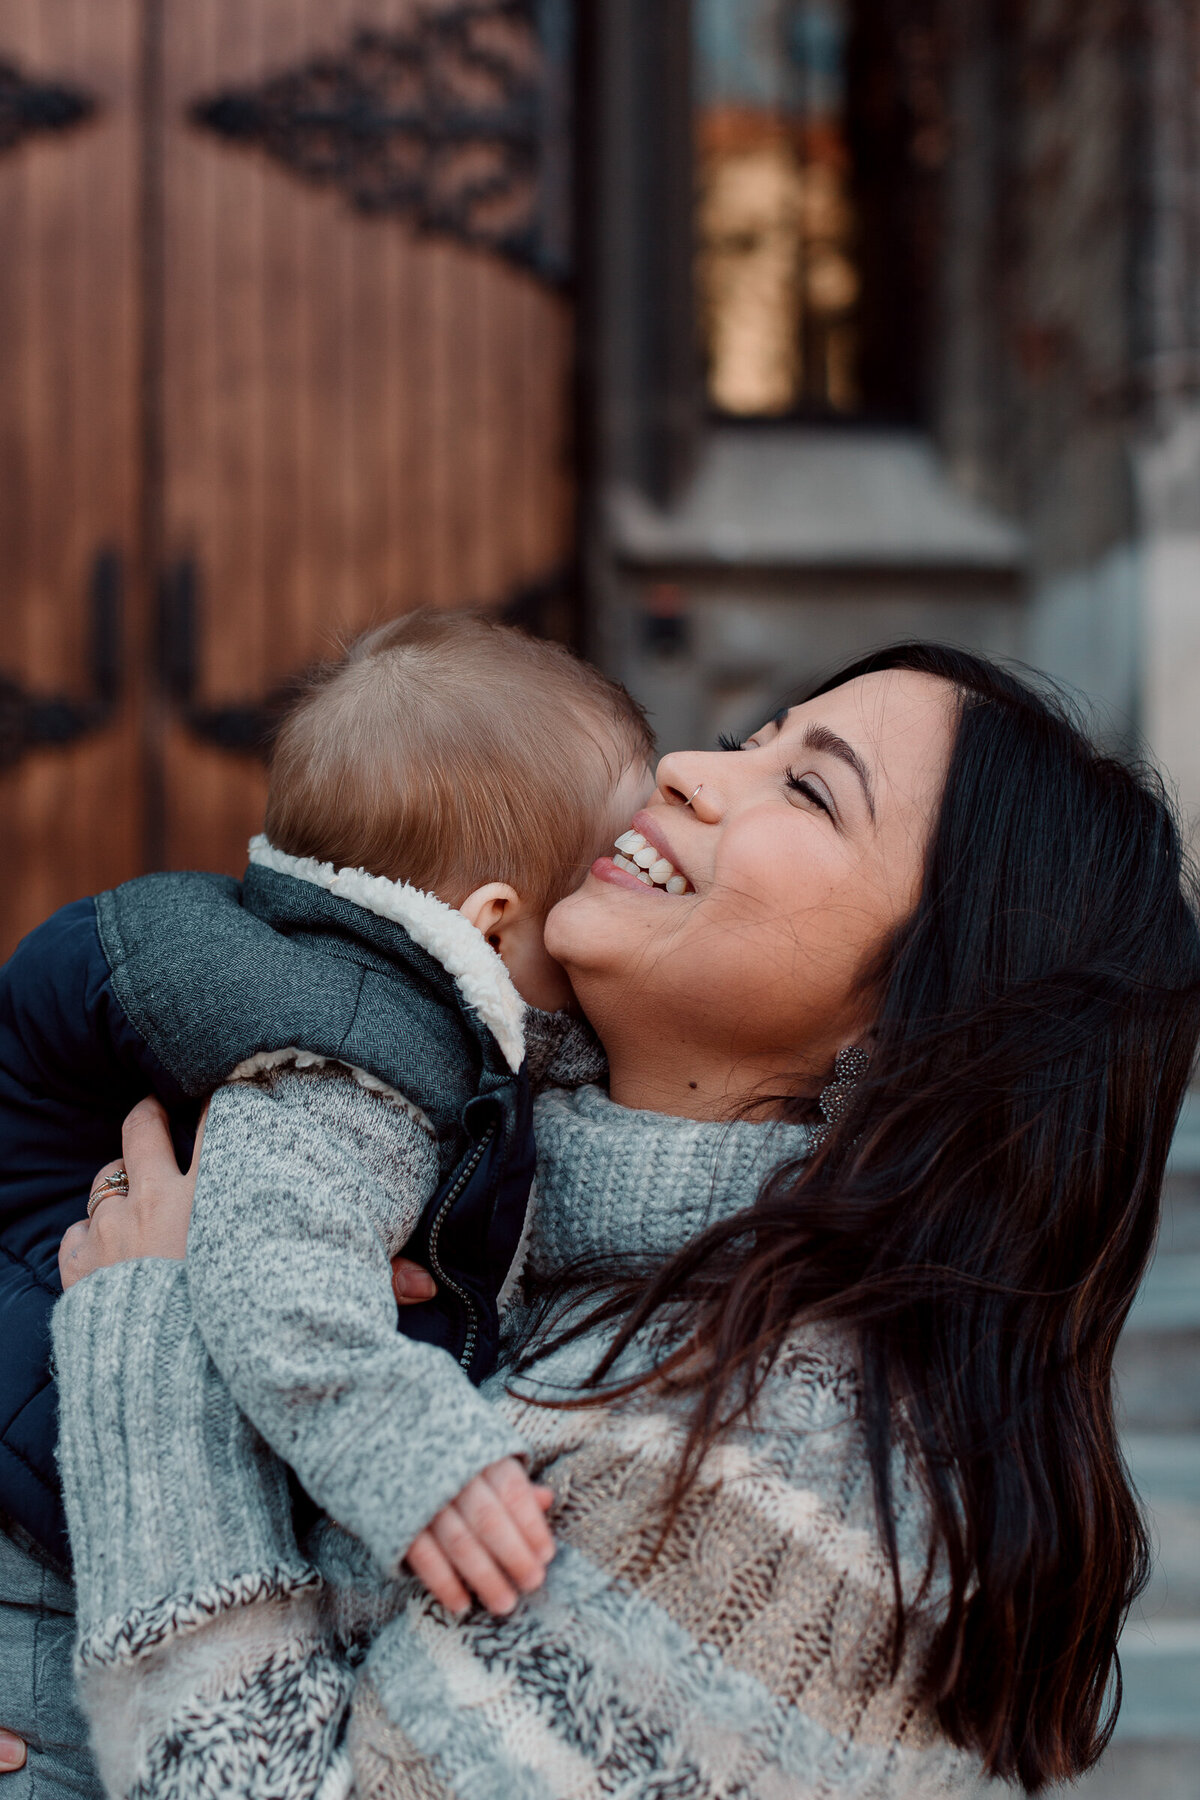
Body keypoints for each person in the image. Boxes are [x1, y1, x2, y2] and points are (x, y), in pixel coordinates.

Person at [31, 645, 1200, 1797]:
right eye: (756, 738)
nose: (688, 768)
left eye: (808, 786)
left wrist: (156, 1338)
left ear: (913, 1033)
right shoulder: (512, 1212)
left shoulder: (785, 1465)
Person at [0, 610, 653, 1798]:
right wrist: (415, 1451)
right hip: (57, 1575)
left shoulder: (357, 997)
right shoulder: (358, 1053)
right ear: (497, 917)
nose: (638, 875)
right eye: (611, 864)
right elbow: (272, 1269)